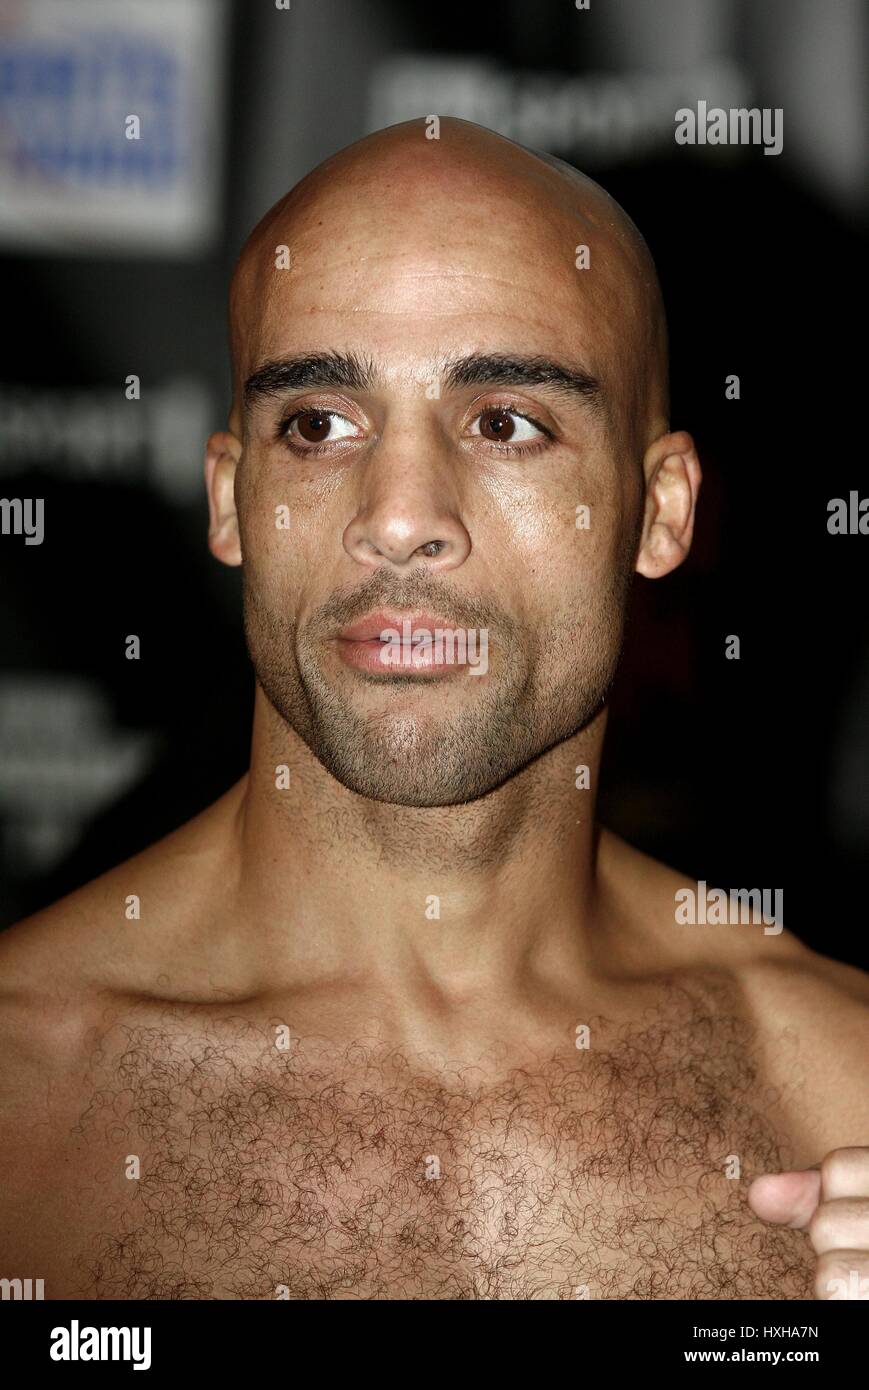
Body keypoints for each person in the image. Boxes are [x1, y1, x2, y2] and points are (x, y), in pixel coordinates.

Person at [0, 118, 866, 1301]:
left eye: (505, 420)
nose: (399, 516)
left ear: (660, 511)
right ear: (230, 498)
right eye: (316, 425)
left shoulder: (839, 1092)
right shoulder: (20, 1097)